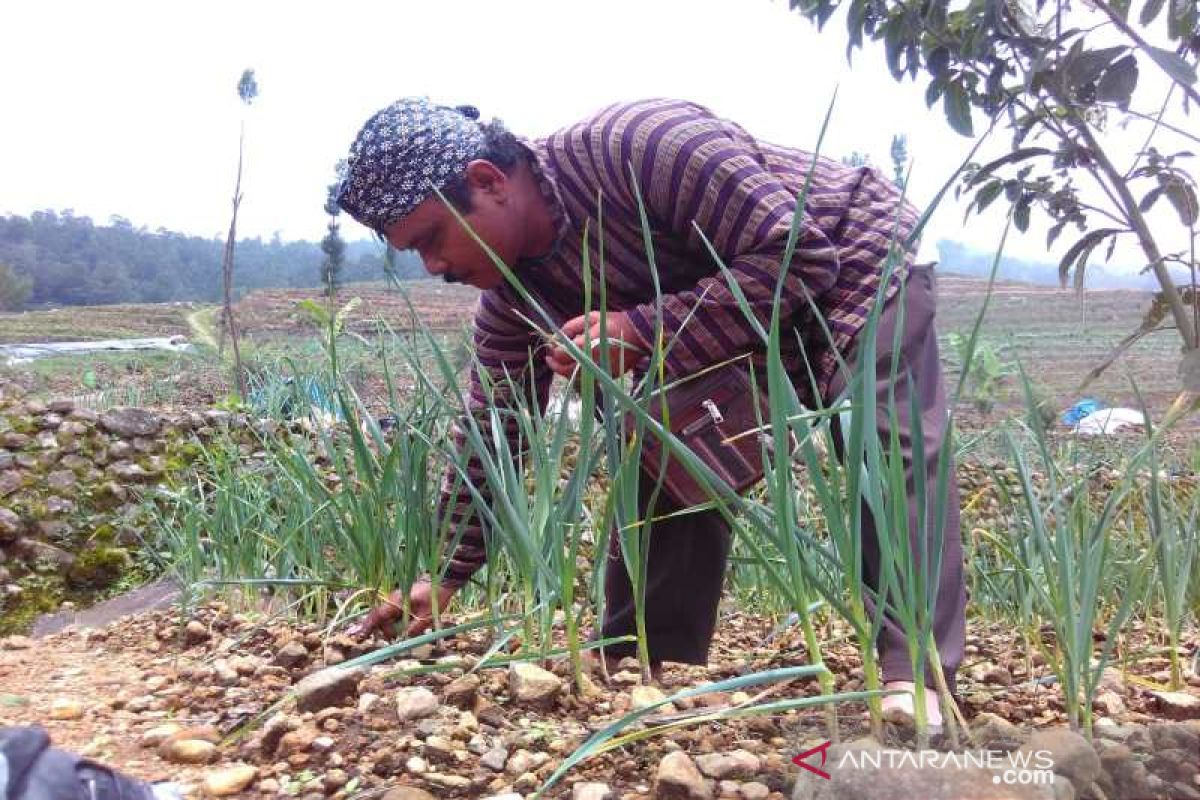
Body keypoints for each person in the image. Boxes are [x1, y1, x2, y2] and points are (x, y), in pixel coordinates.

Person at [335, 97, 966, 725]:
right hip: (722, 302)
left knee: (879, 436)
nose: (435, 266)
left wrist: (640, 327)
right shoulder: (514, 298)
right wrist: (445, 574)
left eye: (432, 239)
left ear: (487, 180)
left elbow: (800, 253)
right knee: (663, 435)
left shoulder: (642, 146)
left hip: (853, 257)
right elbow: (492, 430)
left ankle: (918, 676)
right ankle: (641, 661)